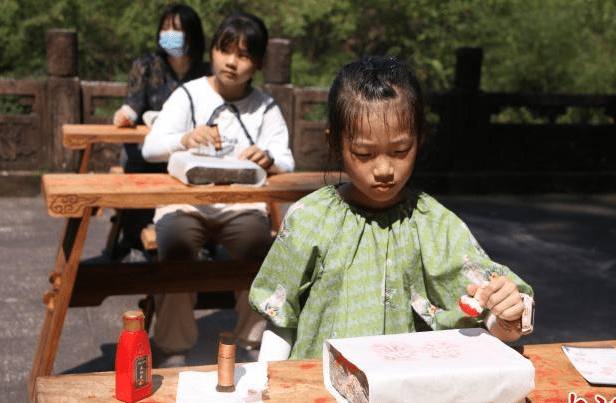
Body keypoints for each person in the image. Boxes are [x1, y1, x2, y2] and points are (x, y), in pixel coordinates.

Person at [248, 55, 535, 360]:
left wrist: (506, 315)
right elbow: (280, 319)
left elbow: (486, 320)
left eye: (400, 150)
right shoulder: (310, 220)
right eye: (364, 153)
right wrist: (269, 382)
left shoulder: (435, 226)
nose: (384, 169)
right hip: (320, 385)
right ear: (335, 144)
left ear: (419, 140)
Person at [141, 11, 295, 366]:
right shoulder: (188, 95)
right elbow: (150, 147)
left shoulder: (265, 106)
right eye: (226, 51)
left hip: (242, 206)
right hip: (186, 203)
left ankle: (254, 342)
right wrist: (184, 138)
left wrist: (267, 158)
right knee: (176, 249)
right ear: (212, 51)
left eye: (243, 56)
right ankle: (174, 347)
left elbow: (287, 160)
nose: (232, 62)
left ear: (256, 63)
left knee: (259, 253)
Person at [111, 4, 210, 255]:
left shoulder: (206, 72)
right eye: (165, 28)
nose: (169, 34)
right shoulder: (146, 65)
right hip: (151, 147)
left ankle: (204, 237)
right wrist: (125, 115)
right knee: (136, 162)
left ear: (193, 34)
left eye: (177, 29)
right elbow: (133, 105)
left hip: (189, 148)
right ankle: (132, 235)